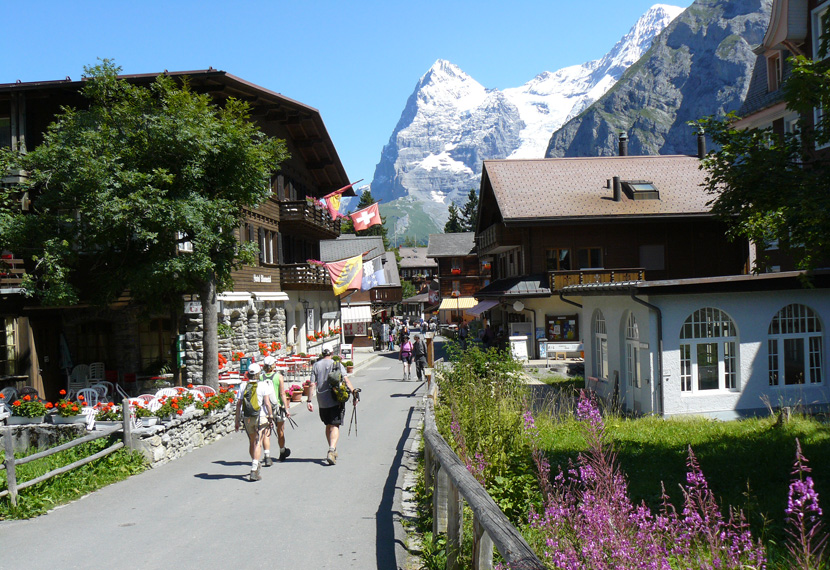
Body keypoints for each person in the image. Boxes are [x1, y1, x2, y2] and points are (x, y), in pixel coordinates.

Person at [307, 349, 356, 465]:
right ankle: (331, 449)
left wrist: (309, 400)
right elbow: (346, 380)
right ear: (332, 353)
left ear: (322, 354)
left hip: (322, 401)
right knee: (335, 425)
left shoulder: (316, 365)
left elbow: (312, 384)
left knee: (328, 424)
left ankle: (332, 448)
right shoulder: (337, 364)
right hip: (335, 399)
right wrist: (354, 393)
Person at [235, 363, 277, 481]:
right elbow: (267, 403)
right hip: (261, 416)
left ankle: (255, 462)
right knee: (258, 442)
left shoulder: (243, 386)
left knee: (252, 441)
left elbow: (239, 404)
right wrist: (270, 416)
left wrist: (237, 420)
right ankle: (254, 469)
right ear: (259, 374)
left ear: (248, 374)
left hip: (248, 417)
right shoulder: (263, 385)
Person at [261, 355, 291, 464]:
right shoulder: (279, 376)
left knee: (266, 432)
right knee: (280, 430)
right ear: (273, 365)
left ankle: (267, 455)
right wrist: (287, 408)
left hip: (265, 408)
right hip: (277, 407)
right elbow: (282, 393)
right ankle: (282, 451)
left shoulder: (260, 377)